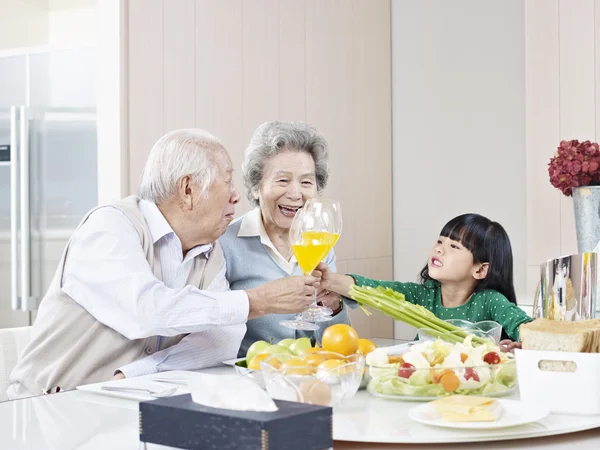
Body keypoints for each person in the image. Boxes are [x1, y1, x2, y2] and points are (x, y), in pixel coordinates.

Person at [7, 129, 318, 399]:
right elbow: (145, 309)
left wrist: (134, 375)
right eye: (227, 182)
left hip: (123, 407)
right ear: (188, 190)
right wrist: (257, 301)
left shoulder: (210, 250)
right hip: (46, 409)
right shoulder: (110, 227)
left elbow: (220, 338)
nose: (237, 196)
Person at [219, 121, 354, 357]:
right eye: (282, 180)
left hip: (306, 374)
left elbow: (336, 343)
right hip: (248, 378)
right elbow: (211, 325)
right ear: (255, 187)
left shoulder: (320, 243)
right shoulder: (225, 243)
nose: (295, 193)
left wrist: (332, 307)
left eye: (306, 182)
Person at [317, 213, 532, 347]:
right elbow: (375, 290)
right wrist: (330, 280)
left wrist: (519, 344)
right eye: (440, 241)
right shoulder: (424, 295)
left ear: (480, 269)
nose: (439, 248)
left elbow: (526, 327)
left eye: (454, 246)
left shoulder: (490, 301)